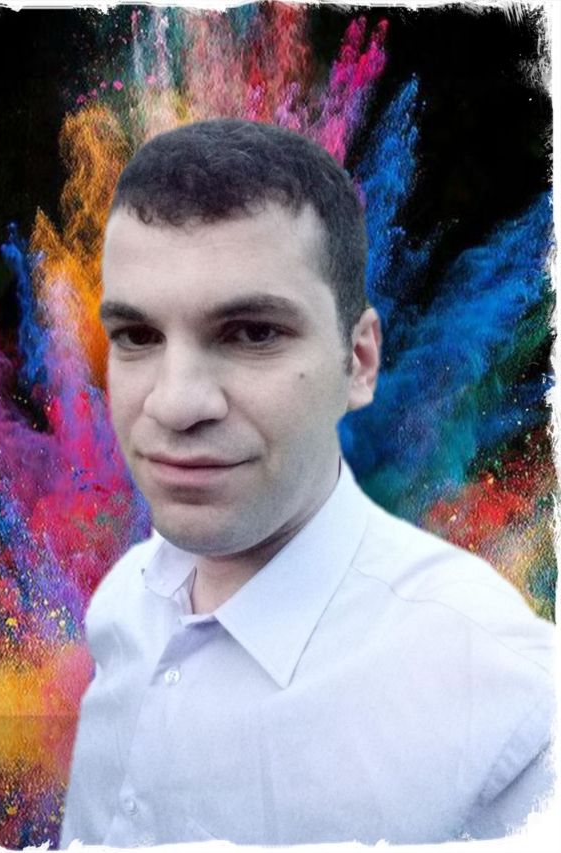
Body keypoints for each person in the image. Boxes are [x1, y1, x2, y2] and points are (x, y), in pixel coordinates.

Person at [60, 119, 555, 847]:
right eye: (137, 336)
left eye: (253, 332)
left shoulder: (506, 701)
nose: (174, 403)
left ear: (359, 362)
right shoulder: (124, 602)